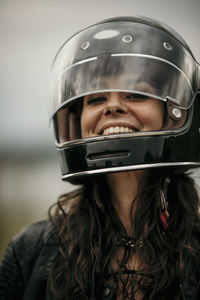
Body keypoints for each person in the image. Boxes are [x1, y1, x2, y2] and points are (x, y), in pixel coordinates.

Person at [0, 15, 200, 300]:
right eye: (95, 98)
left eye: (135, 93)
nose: (113, 106)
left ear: (171, 113)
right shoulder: (29, 253)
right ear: (76, 120)